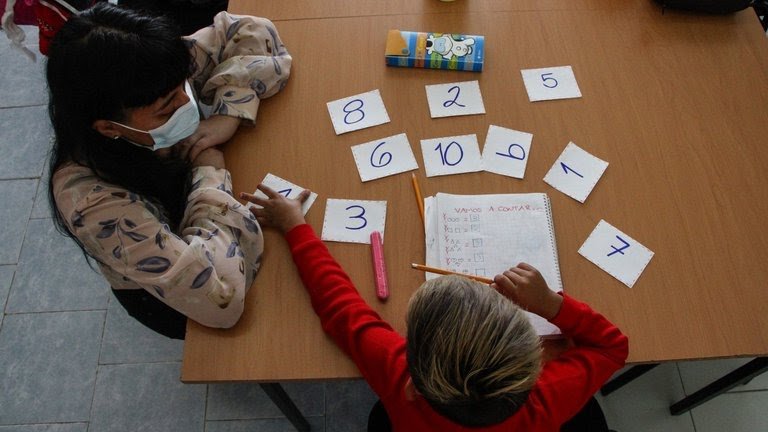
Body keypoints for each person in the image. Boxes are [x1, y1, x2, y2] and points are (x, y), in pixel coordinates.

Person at [240, 185, 629, 431]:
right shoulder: (543, 404)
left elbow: (339, 306)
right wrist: (551, 305)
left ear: (412, 387)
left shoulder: (399, 378)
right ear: (535, 368)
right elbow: (612, 347)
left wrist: (294, 225)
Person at [46, 2, 292, 339]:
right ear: (108, 127)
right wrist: (210, 175)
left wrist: (229, 112)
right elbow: (221, 298)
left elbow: (252, 30)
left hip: (206, 229)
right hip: (169, 296)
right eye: (166, 110)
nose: (186, 104)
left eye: (183, 89)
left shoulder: (152, 73)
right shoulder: (91, 202)